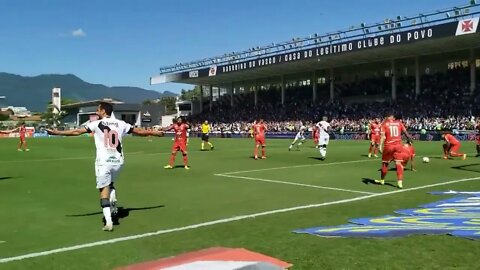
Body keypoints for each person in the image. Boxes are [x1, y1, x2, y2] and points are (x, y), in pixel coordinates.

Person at [47, 102, 161, 232]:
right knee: (110, 184)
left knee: (103, 190)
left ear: (103, 111)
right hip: (118, 162)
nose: (96, 112)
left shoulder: (96, 124)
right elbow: (139, 131)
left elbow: (77, 131)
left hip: (104, 162)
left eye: (98, 110)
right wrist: (156, 133)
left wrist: (56, 132)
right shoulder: (121, 123)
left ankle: (109, 221)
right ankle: (112, 199)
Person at [375, 114, 412, 189]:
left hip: (388, 146)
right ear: (392, 117)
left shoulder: (385, 124)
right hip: (398, 146)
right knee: (398, 163)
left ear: (388, 117)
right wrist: (409, 138)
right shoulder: (399, 123)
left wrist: (380, 146)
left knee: (385, 164)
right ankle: (400, 182)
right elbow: (405, 131)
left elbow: (382, 136)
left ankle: (382, 180)